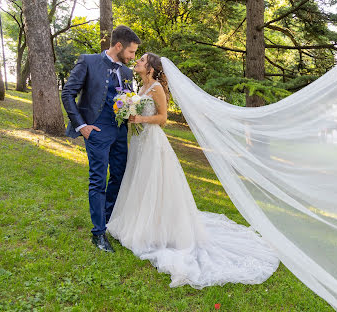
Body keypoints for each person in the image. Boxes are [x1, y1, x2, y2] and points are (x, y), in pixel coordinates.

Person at [107, 53, 279, 288]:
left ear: (150, 68)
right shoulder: (141, 86)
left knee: (153, 181)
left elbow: (163, 118)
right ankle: (138, 222)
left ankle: (156, 228)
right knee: (138, 180)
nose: (137, 61)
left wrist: (139, 120)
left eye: (142, 60)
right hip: (138, 141)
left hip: (152, 141)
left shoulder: (156, 88)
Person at [61, 26, 141, 252]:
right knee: (98, 180)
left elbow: (127, 98)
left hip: (119, 131)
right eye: (131, 52)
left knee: (119, 175)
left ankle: (108, 220)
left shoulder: (126, 72)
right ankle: (98, 234)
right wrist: (82, 126)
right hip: (96, 130)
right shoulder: (88, 61)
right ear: (118, 46)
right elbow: (68, 93)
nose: (132, 57)